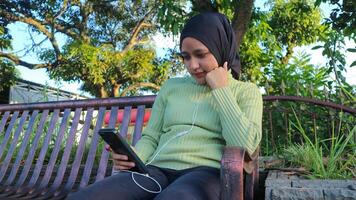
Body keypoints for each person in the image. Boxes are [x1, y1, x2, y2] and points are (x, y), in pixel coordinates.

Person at [66, 12, 262, 200]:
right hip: (155, 171)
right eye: (186, 57)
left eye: (200, 54)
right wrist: (134, 158)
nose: (192, 65)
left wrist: (221, 90)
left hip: (206, 175)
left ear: (221, 48)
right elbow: (151, 137)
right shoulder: (171, 87)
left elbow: (245, 146)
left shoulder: (245, 91)